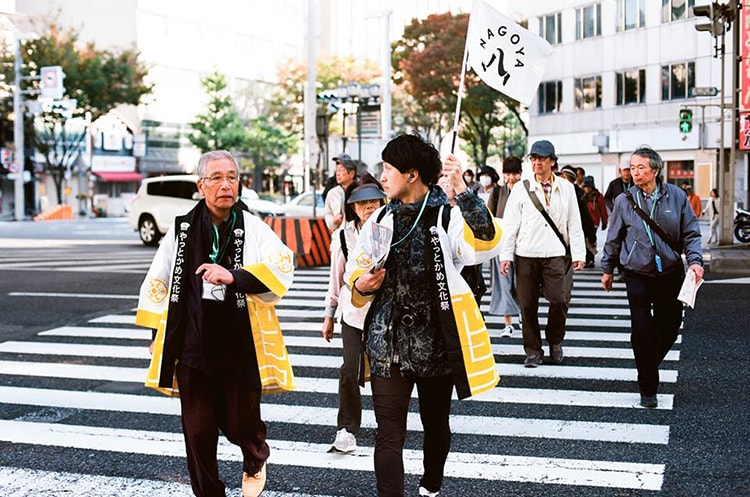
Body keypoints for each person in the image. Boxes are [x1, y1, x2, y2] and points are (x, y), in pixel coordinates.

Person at [345, 133, 501, 497]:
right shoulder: (380, 218)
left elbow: (485, 239)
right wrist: (363, 285)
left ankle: (431, 485)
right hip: (388, 343)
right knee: (388, 434)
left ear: (412, 174)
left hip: (435, 345)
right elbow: (356, 271)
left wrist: (461, 190)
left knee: (435, 425)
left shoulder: (446, 215)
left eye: (388, 169)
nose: (382, 177)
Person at [135, 150, 296, 497]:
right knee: (197, 433)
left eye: (232, 177)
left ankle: (255, 457)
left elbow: (283, 264)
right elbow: (158, 279)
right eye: (217, 178)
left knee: (240, 424)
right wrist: (156, 334)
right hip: (192, 344)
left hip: (239, 344)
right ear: (201, 185)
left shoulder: (252, 226)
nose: (226, 185)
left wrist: (236, 276)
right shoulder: (181, 229)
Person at [601, 146, 703, 409]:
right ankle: (648, 387)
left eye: (640, 167)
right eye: (632, 168)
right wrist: (607, 269)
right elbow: (613, 238)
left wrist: (696, 262)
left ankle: (647, 364)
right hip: (637, 273)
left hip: (670, 272)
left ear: (655, 170)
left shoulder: (677, 197)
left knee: (670, 327)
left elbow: (691, 233)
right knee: (642, 329)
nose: (635, 172)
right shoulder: (624, 200)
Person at [500, 140, 585, 368]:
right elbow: (510, 225)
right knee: (527, 305)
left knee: (559, 300)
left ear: (552, 162)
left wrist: (579, 253)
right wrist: (505, 256)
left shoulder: (566, 188)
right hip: (526, 253)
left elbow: (574, 223)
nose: (537, 163)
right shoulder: (521, 188)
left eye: (542, 159)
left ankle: (555, 341)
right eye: (533, 159)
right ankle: (533, 350)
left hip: (556, 253)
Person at [322, 173, 387, 453]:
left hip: (386, 312)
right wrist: (328, 314)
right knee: (350, 369)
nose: (369, 207)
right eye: (362, 204)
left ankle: (390, 426)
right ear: (353, 208)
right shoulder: (344, 236)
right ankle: (347, 428)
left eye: (374, 201)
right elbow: (336, 277)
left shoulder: (392, 229)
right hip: (353, 312)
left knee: (387, 373)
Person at [487, 156, 523, 337]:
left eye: (515, 173)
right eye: (508, 174)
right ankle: (508, 323)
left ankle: (523, 316)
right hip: (501, 244)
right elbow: (488, 217)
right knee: (503, 284)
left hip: (523, 244)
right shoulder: (497, 193)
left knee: (522, 283)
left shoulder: (526, 191)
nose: (511, 177)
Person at [559, 165, 598, 269]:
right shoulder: (554, 190)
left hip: (573, 232)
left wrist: (591, 236)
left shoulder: (578, 194)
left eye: (565, 177)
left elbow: (584, 216)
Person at [324, 154, 357, 233]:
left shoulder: (359, 191)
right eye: (337, 171)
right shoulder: (332, 193)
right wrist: (333, 222)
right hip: (338, 242)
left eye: (341, 170)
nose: (338, 174)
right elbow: (328, 215)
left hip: (357, 241)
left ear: (352, 173)